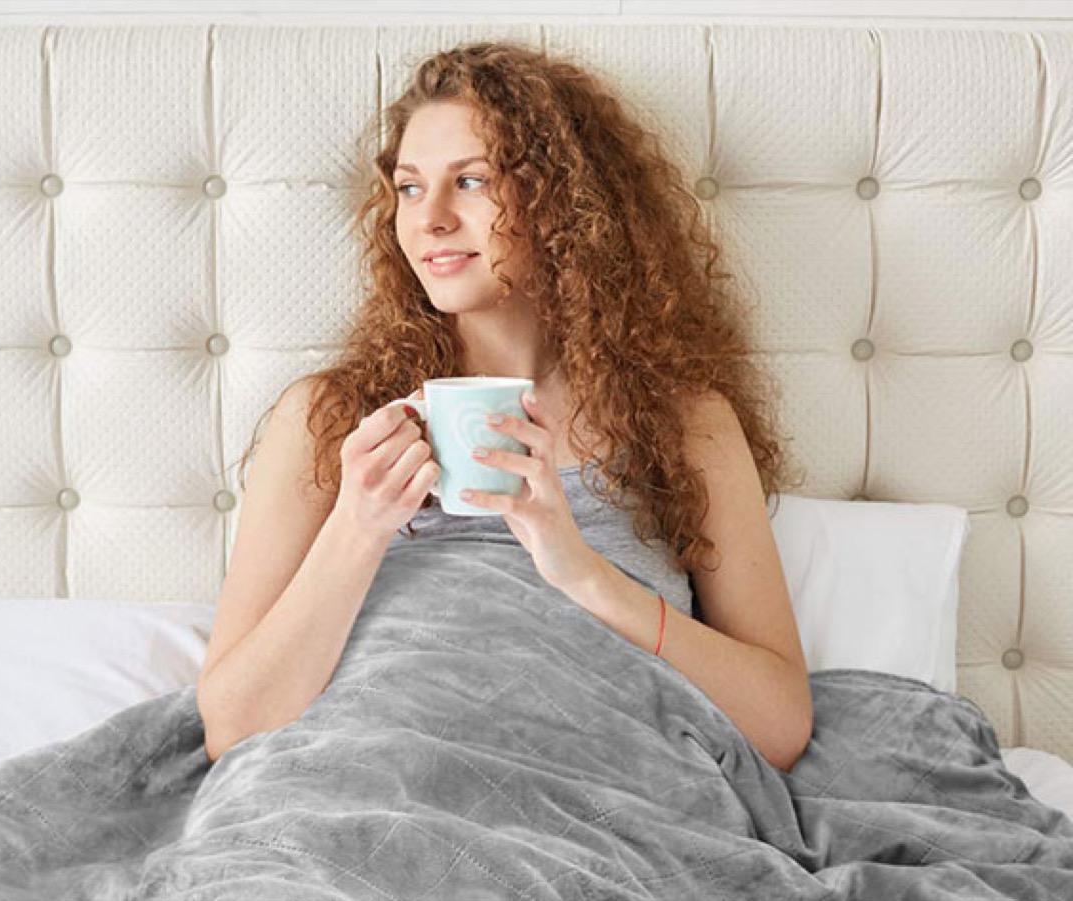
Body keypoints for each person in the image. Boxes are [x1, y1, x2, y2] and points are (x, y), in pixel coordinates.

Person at [196, 41, 813, 772]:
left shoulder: (683, 425)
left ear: (562, 203)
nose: (431, 219)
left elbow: (778, 726)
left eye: (473, 180)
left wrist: (583, 572)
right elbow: (231, 729)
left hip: (609, 790)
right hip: (363, 781)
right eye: (411, 187)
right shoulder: (330, 418)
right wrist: (359, 527)